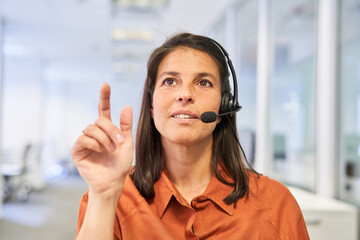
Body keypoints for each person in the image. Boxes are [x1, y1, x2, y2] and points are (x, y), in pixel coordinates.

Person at [72, 33, 309, 240]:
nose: (185, 94)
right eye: (170, 81)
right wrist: (103, 197)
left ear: (223, 106)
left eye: (203, 82)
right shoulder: (111, 197)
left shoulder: (275, 202)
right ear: (152, 106)